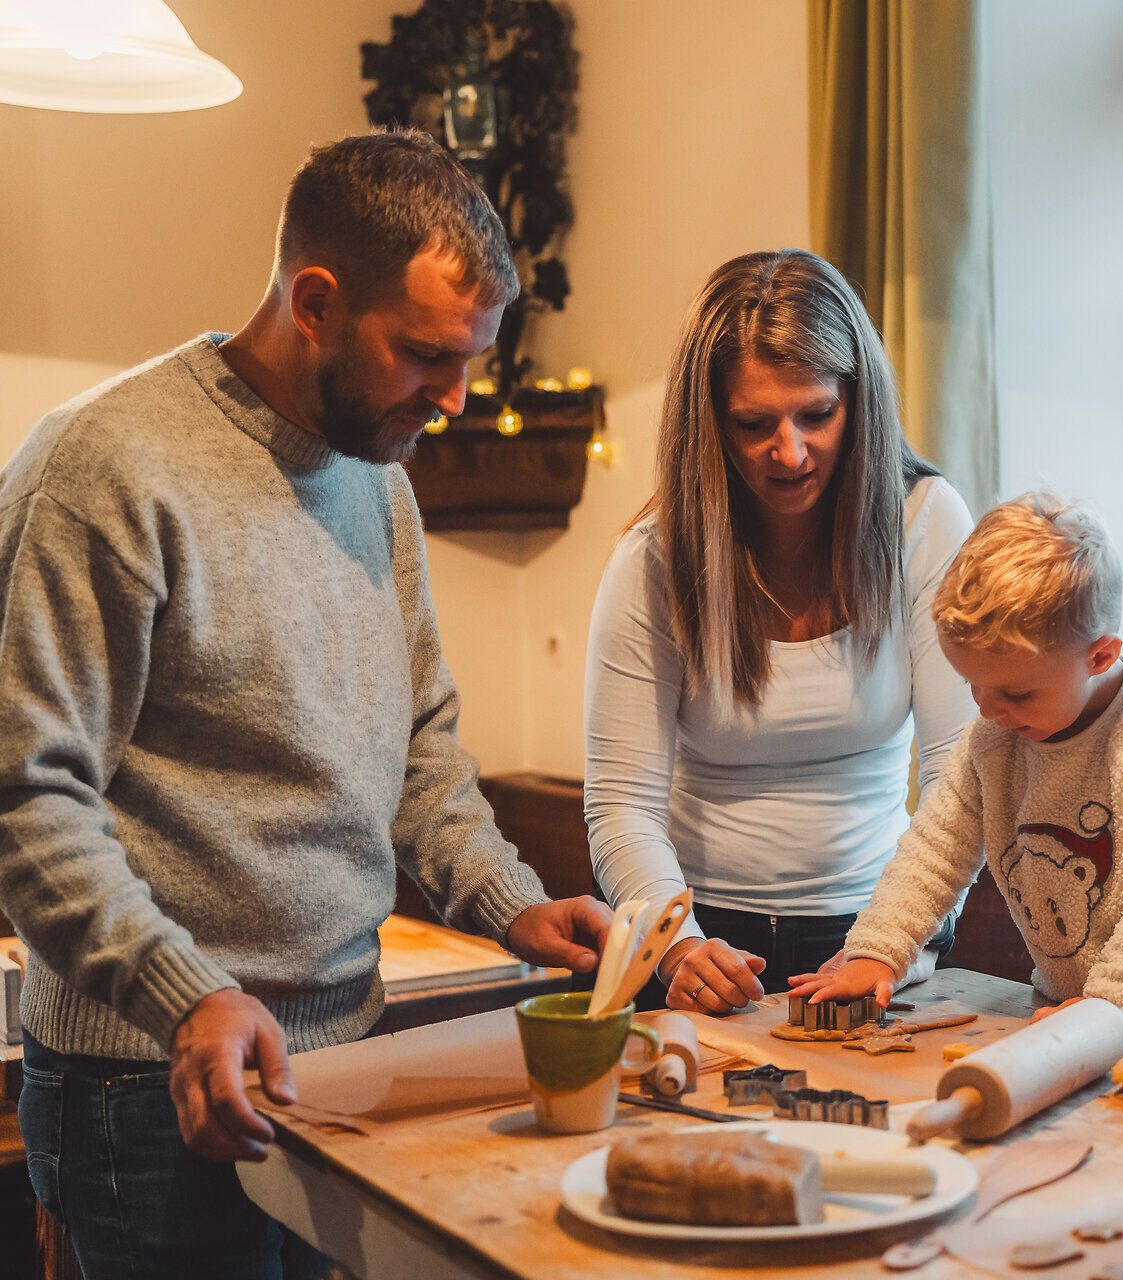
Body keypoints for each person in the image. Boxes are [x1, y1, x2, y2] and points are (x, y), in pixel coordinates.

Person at [0, 128, 612, 1279]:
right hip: (150, 1080)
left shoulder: (378, 477)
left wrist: (513, 902)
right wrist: (187, 996)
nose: (456, 397)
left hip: (340, 1061)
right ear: (316, 301)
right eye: (426, 354)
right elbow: (29, 796)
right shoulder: (108, 464)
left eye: (473, 359)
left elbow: (418, 748)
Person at [584, 249, 974, 1015]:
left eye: (816, 415)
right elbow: (622, 806)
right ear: (710, 425)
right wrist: (679, 948)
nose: (790, 452)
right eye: (753, 424)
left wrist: (891, 939)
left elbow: (962, 774)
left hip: (883, 929)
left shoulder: (925, 522)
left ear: (858, 404)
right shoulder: (654, 559)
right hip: (701, 933)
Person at [789, 492, 1123, 1021]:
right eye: (972, 684)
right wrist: (879, 951)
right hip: (1075, 1004)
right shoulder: (996, 735)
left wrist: (1109, 1004)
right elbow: (936, 848)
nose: (987, 710)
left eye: (1015, 694)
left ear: (1100, 655)